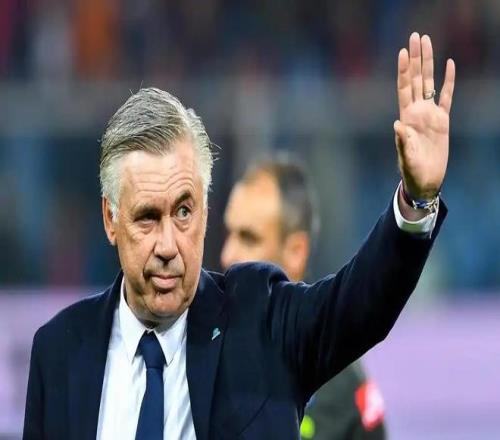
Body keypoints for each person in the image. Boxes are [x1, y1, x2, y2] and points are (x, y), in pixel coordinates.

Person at [23, 33, 455, 440]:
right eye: (147, 218)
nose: (168, 246)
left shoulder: (261, 321)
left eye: (184, 212)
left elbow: (360, 303)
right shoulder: (59, 351)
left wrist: (416, 200)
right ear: (110, 219)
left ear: (206, 210)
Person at [221, 156, 386, 439]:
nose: (227, 255)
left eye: (249, 238)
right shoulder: (204, 345)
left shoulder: (337, 381)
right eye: (229, 233)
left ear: (296, 252)